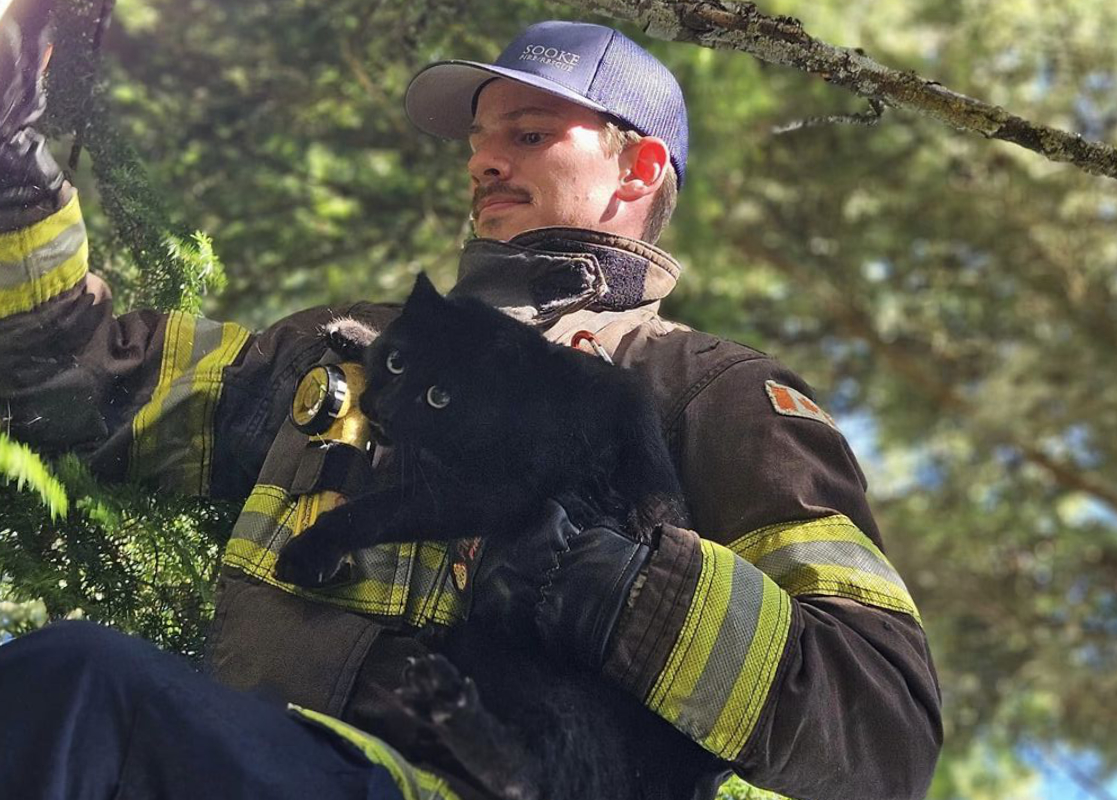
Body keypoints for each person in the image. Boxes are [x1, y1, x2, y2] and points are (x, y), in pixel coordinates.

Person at [0, 5, 941, 799]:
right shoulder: (346, 347)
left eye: (528, 135)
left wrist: (624, 591)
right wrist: (9, 165)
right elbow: (74, 381)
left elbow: (882, 727)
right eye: (479, 140)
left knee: (81, 686)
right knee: (63, 693)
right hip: (275, 763)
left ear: (639, 169)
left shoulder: (712, 391)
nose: (483, 160)